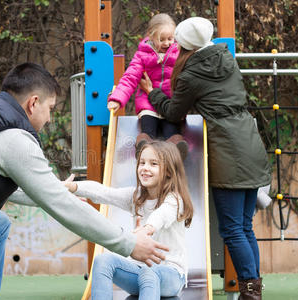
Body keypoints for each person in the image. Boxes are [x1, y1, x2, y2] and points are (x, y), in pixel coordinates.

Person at [0, 62, 169, 300]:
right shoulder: (13, 137)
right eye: (50, 109)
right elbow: (61, 206)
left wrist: (51, 189)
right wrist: (129, 244)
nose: (50, 118)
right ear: (33, 102)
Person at [139, 17, 271, 300]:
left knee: (232, 228)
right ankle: (254, 291)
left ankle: (251, 293)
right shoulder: (226, 58)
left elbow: (174, 112)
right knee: (245, 227)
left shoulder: (191, 74)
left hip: (227, 149)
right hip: (249, 139)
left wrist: (153, 92)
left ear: (185, 46)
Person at [64, 141, 193, 300]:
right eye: (142, 163)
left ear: (168, 171)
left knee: (150, 272)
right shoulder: (136, 197)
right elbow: (104, 192)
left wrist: (146, 229)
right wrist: (73, 188)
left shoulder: (175, 199)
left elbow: (161, 215)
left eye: (153, 164)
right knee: (103, 260)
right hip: (138, 270)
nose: (145, 167)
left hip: (171, 275)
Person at [106, 13, 187, 159]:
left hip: (170, 104)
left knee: (172, 130)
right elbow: (130, 77)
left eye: (170, 39)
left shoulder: (179, 54)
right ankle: (143, 146)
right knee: (148, 128)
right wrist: (117, 98)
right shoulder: (142, 55)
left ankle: (176, 147)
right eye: (161, 39)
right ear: (150, 36)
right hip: (148, 104)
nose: (167, 43)